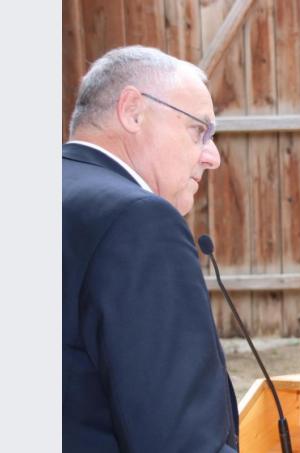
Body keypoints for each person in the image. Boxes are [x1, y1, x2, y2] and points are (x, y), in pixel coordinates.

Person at [63, 46, 238, 452]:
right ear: (134, 110)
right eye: (200, 131)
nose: (212, 156)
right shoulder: (138, 221)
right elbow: (180, 442)